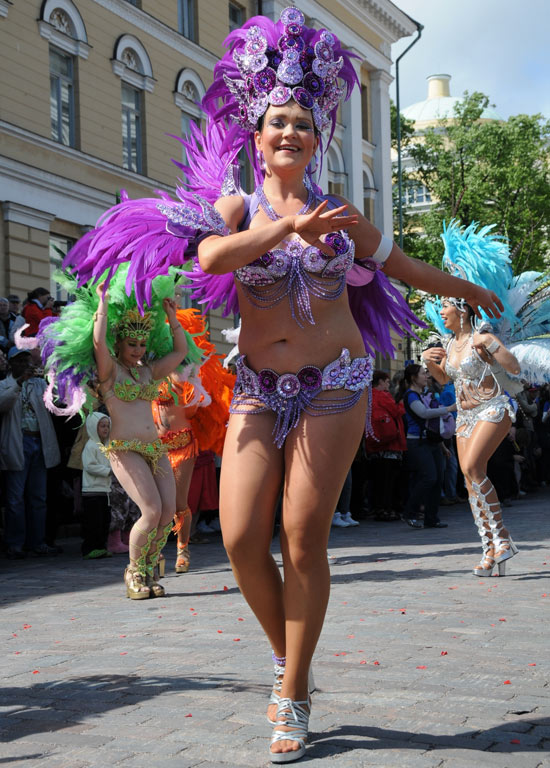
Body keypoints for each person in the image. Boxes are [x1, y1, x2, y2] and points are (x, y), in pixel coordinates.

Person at [60, 9, 504, 762]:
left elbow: (406, 269)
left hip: (339, 382)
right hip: (261, 388)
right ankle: (288, 659)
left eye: (302, 120)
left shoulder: (344, 215)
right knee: (236, 538)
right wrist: (283, 232)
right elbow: (210, 258)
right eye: (276, 121)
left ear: (316, 134)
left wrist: (470, 288)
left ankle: (293, 692)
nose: (289, 131)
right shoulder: (241, 206)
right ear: (257, 137)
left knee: (302, 537)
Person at [33, 266, 202, 598]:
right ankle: (134, 573)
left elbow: (180, 352)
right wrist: (102, 306)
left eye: (141, 343)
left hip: (155, 449)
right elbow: (98, 340)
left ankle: (151, 569)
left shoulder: (150, 371)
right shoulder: (110, 373)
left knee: (167, 514)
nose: (138, 349)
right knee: (151, 510)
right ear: (120, 344)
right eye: (131, 344)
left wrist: (172, 316)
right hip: (124, 449)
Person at [0, 348, 60, 558]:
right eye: (21, 362)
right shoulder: (4, 384)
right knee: (15, 498)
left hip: (39, 442)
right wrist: (18, 383)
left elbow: (57, 401)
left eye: (28, 361)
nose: (26, 365)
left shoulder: (39, 383)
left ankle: (38, 541)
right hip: (18, 442)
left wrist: (51, 377)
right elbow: (2, 404)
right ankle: (15, 544)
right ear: (11, 364)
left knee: (39, 497)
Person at [398, 364, 456, 529]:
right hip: (417, 442)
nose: (427, 376)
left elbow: (430, 425)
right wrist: (449, 409)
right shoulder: (411, 396)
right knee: (429, 477)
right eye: (423, 374)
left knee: (437, 479)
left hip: (430, 442)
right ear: (413, 378)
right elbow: (423, 414)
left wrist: (442, 447)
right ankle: (409, 512)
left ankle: (432, 518)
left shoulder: (424, 394)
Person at [365, 369, 406, 522]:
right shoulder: (382, 395)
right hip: (389, 445)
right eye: (387, 382)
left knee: (378, 481)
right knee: (388, 481)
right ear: (380, 382)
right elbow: (397, 411)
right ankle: (386, 509)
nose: (388, 385)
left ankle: (378, 508)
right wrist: (401, 404)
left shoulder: (369, 397)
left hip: (375, 444)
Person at [81, 412, 112, 559]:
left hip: (104, 491)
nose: (105, 429)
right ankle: (89, 548)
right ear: (94, 427)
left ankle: (100, 546)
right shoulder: (91, 446)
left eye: (107, 426)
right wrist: (108, 471)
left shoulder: (106, 446)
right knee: (93, 522)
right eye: (102, 426)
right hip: (92, 491)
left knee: (104, 521)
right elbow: (89, 466)